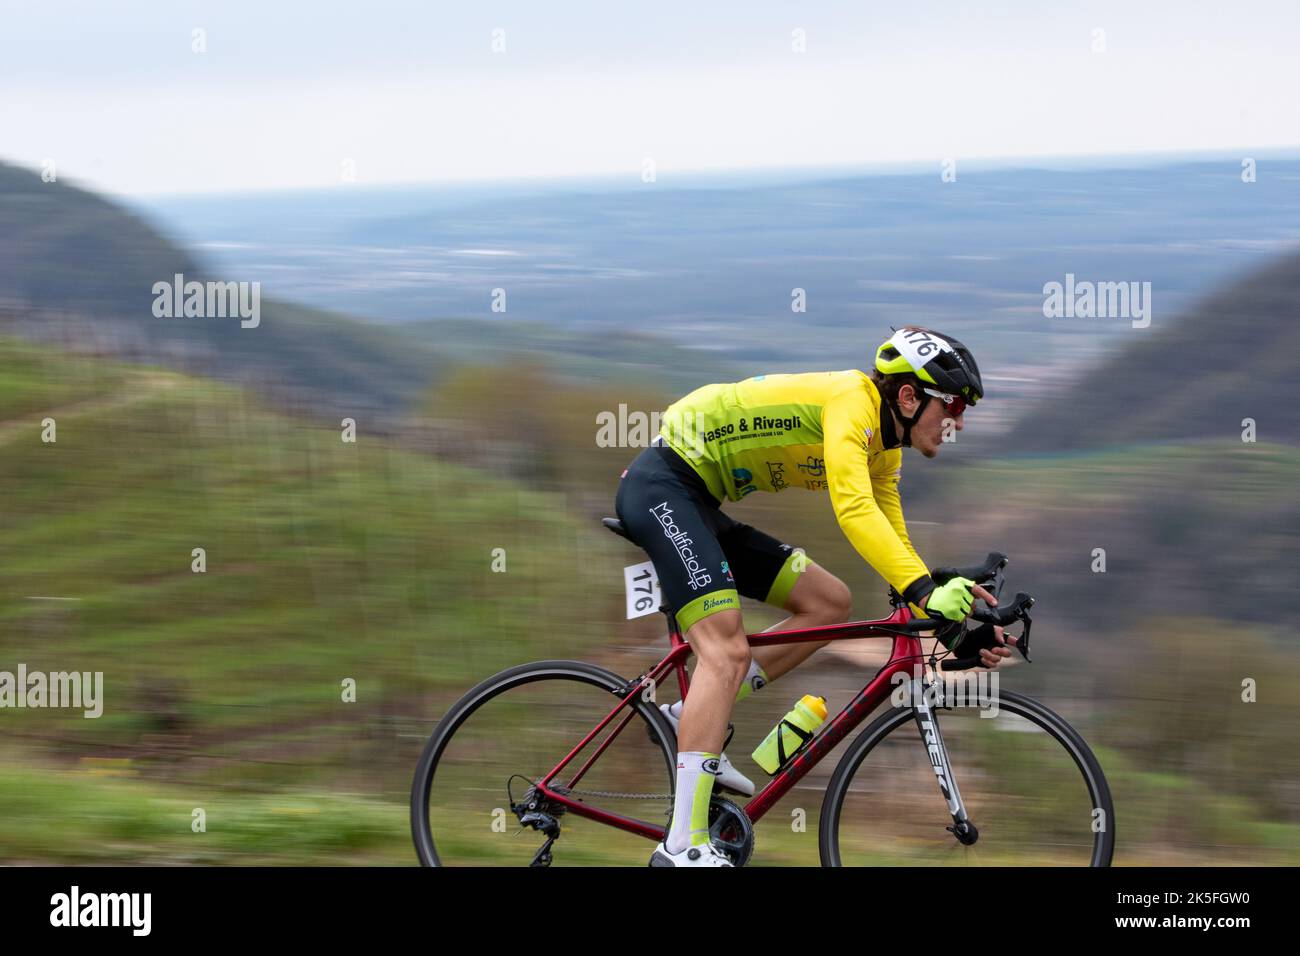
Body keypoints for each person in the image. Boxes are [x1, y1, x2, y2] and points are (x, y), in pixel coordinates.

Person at [614, 327, 1013, 867]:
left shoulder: (885, 450)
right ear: (909, 396)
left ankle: (687, 714)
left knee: (829, 601)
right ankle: (682, 845)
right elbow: (853, 511)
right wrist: (925, 590)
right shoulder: (853, 404)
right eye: (955, 405)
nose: (959, 422)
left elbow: (892, 542)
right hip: (662, 486)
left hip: (700, 500)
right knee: (725, 652)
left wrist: (952, 620)